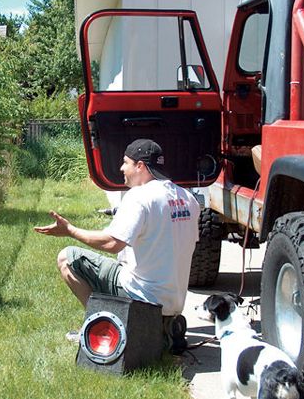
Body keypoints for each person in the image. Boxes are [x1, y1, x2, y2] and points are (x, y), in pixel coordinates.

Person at [34, 139, 200, 351]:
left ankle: (102, 331)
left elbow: (112, 243)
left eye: (125, 162)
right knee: (122, 264)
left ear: (140, 166)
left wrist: (70, 231)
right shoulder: (187, 198)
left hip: (143, 298)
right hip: (173, 303)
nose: (122, 168)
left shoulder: (139, 196)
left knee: (67, 257)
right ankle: (164, 330)